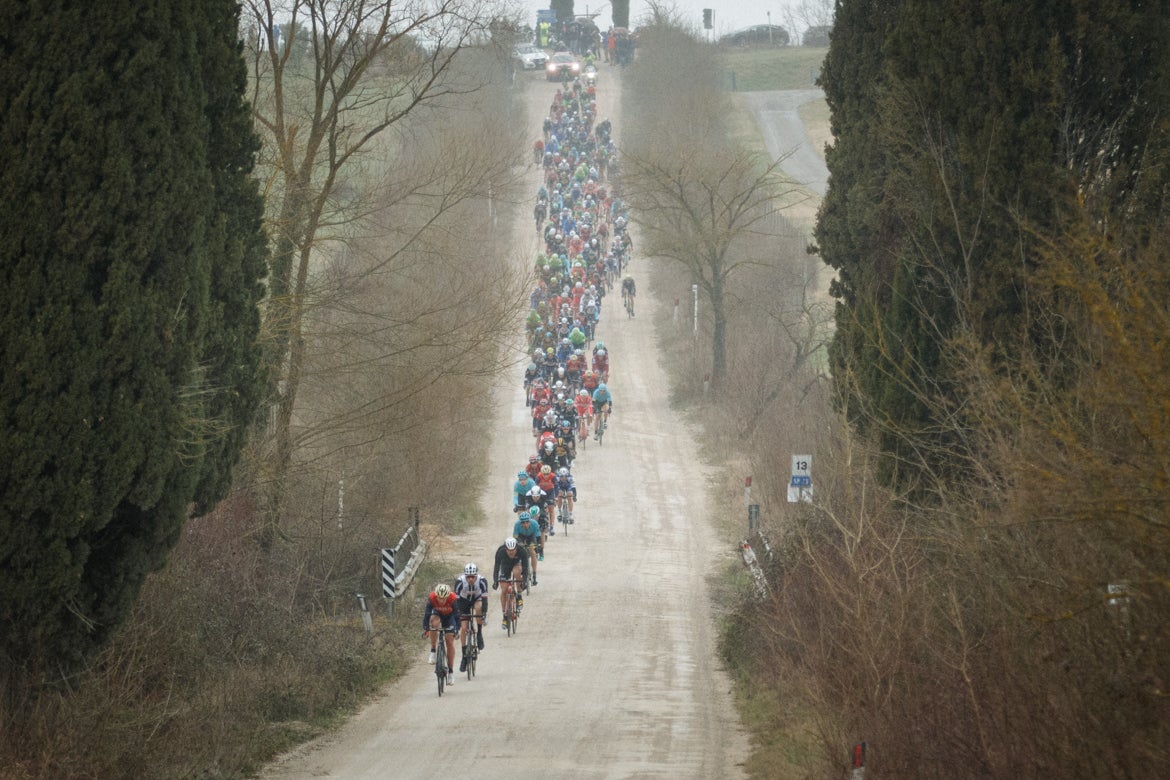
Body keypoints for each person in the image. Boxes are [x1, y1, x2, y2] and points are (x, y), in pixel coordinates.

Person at [454, 563, 489, 670]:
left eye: (472, 576)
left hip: (476, 599)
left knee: (478, 608)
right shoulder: (460, 582)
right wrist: (457, 618)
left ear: (476, 575)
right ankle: (464, 656)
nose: (470, 579)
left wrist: (483, 615)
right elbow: (455, 602)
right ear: (465, 576)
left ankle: (479, 634)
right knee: (464, 628)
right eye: (468, 577)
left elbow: (484, 600)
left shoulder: (482, 581)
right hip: (463, 602)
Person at [423, 583, 458, 685]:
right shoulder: (432, 598)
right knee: (433, 623)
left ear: (448, 596)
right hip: (437, 614)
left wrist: (456, 629)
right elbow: (427, 614)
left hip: (449, 616)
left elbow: (456, 616)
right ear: (436, 595)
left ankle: (451, 672)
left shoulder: (453, 598)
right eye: (439, 598)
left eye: (444, 598)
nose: (441, 600)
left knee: (449, 641)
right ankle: (433, 650)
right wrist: (426, 628)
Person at [492, 537, 532, 627]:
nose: (511, 552)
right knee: (504, 590)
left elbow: (525, 568)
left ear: (516, 548)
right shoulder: (500, 551)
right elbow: (496, 568)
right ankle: (505, 616)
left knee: (516, 572)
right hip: (505, 565)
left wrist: (524, 581)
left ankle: (519, 595)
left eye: (513, 550)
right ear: (505, 549)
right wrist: (495, 581)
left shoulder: (522, 551)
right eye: (509, 550)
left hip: (516, 564)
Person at [513, 510, 543, 576]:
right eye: (523, 522)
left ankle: (534, 572)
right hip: (521, 536)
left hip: (531, 536)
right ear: (520, 523)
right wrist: (519, 544)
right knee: (519, 548)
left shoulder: (534, 523)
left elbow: (538, 537)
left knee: (532, 551)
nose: (525, 524)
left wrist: (538, 546)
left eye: (527, 522)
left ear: (530, 521)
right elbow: (515, 537)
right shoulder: (517, 524)